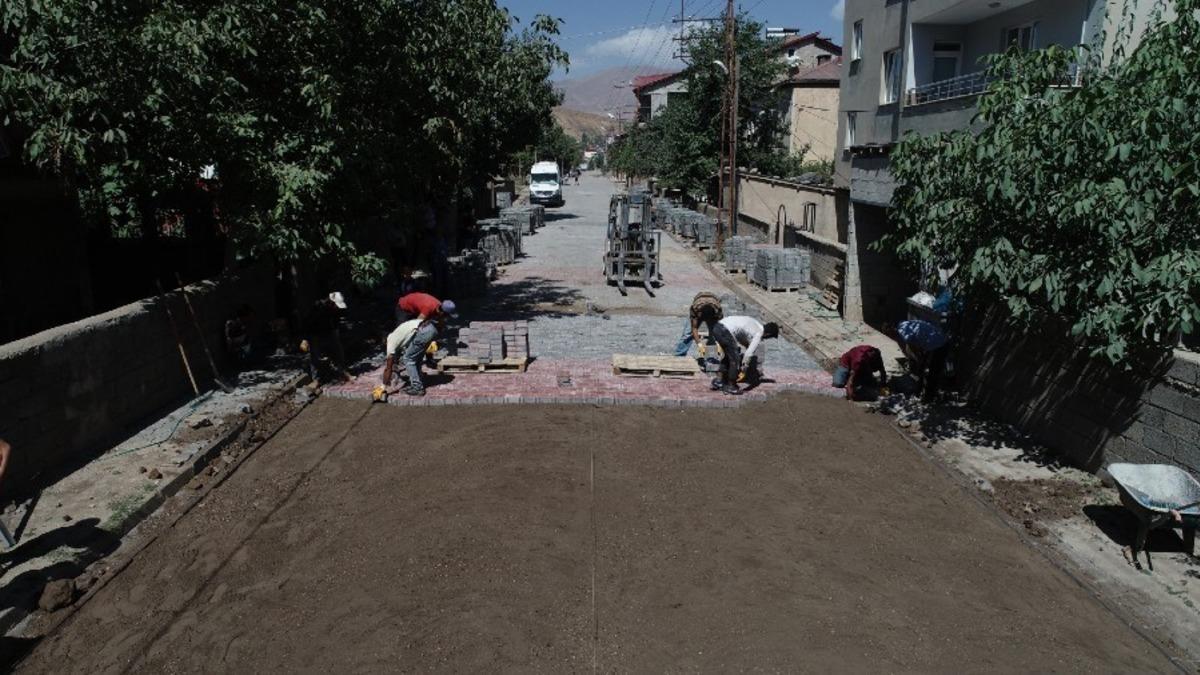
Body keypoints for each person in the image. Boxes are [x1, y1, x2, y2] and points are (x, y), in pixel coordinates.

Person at [709, 316, 779, 395]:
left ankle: (719, 381)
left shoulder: (755, 323)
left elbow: (741, 336)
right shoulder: (758, 333)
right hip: (725, 331)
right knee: (735, 359)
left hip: (717, 327)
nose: (765, 339)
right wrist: (744, 367)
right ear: (768, 334)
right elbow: (748, 354)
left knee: (728, 356)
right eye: (768, 337)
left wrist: (747, 348)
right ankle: (731, 386)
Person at [893, 319, 949, 401]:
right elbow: (916, 342)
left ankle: (928, 397)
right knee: (924, 369)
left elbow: (910, 343)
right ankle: (920, 391)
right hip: (938, 340)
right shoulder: (907, 323)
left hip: (937, 345)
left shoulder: (902, 331)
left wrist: (918, 358)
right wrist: (920, 358)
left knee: (932, 372)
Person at [301, 292, 350, 385]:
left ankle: (342, 372)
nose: (337, 307)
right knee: (315, 355)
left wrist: (336, 332)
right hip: (314, 332)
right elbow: (307, 323)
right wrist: (305, 339)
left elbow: (335, 321)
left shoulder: (335, 309)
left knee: (338, 350)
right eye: (337, 305)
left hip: (329, 331)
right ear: (332, 302)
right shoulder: (318, 308)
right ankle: (316, 380)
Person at [674, 291, 723, 357]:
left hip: (712, 311)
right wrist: (700, 345)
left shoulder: (717, 311)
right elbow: (694, 328)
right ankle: (679, 355)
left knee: (713, 334)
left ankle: (710, 356)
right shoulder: (695, 309)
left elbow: (719, 329)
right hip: (699, 305)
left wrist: (718, 343)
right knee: (687, 333)